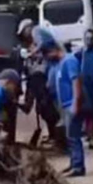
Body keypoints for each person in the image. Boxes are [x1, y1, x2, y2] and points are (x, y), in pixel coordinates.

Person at [36, 26, 87, 176]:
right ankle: (73, 163)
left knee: (74, 137)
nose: (47, 58)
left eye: (46, 54)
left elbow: (76, 82)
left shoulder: (69, 61)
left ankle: (78, 166)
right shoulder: (59, 63)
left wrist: (75, 104)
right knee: (69, 137)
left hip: (71, 104)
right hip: (65, 105)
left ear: (52, 51)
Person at [17, 19, 65, 150]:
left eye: (24, 33)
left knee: (49, 109)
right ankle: (53, 135)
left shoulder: (36, 31)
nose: (25, 36)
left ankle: (57, 138)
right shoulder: (35, 42)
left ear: (27, 28)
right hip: (42, 77)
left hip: (46, 76)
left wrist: (32, 53)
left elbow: (42, 45)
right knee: (43, 109)